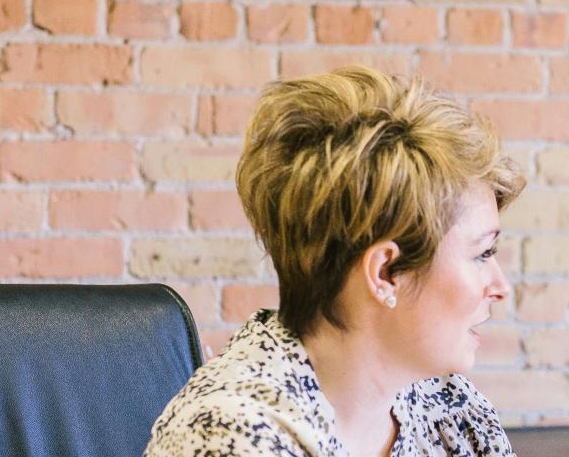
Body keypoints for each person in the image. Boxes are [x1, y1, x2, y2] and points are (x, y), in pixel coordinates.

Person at [144, 66, 524, 456]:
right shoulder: (230, 437)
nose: (499, 287)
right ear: (385, 273)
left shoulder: (452, 410)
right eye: (482, 254)